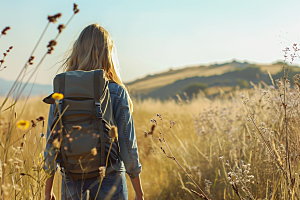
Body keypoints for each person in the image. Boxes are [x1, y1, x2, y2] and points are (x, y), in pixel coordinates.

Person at [44, 24, 144, 200]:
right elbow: (127, 146)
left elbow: (52, 144)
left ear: (78, 51)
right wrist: (139, 192)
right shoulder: (115, 91)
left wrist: (47, 190)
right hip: (110, 178)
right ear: (108, 54)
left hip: (71, 179)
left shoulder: (62, 91)